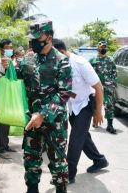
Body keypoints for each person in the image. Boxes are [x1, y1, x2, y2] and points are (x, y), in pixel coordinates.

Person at [3, 21, 72, 193]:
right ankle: (32, 189)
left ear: (49, 38)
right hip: (31, 121)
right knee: (31, 159)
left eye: (37, 39)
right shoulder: (28, 59)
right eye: (31, 39)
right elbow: (15, 78)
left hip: (54, 123)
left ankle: (60, 189)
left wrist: (42, 114)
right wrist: (8, 67)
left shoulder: (62, 61)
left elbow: (63, 94)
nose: (33, 43)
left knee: (57, 161)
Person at [53, 39, 109, 184]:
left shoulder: (80, 63)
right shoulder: (58, 64)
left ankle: (68, 175)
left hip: (85, 104)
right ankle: (99, 160)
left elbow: (99, 88)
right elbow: (68, 89)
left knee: (75, 140)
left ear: (62, 52)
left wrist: (98, 112)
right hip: (73, 106)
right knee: (83, 137)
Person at [0, 39, 17, 155]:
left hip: (7, 97)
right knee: (2, 123)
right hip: (2, 98)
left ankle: (5, 145)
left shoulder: (8, 61)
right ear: (1, 49)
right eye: (7, 47)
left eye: (11, 47)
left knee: (6, 122)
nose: (9, 49)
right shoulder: (0, 63)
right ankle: (0, 149)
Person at [89, 41, 118, 134]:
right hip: (96, 87)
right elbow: (88, 73)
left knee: (109, 105)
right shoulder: (92, 60)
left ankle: (110, 125)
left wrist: (113, 84)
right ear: (98, 48)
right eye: (101, 47)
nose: (103, 48)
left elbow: (114, 72)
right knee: (95, 104)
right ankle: (96, 120)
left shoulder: (110, 59)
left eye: (105, 47)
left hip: (108, 86)